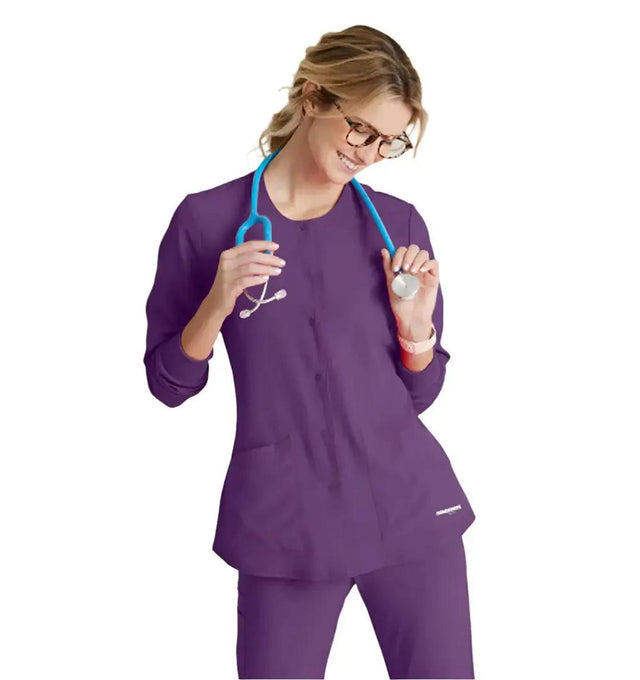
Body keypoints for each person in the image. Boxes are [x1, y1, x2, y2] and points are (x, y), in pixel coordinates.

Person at [144, 24, 476, 680]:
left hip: (410, 511)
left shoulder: (398, 226)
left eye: (388, 142)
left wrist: (417, 330)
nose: (369, 153)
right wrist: (217, 302)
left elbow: (420, 394)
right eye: (361, 129)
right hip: (285, 526)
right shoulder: (207, 223)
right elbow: (168, 383)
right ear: (313, 95)